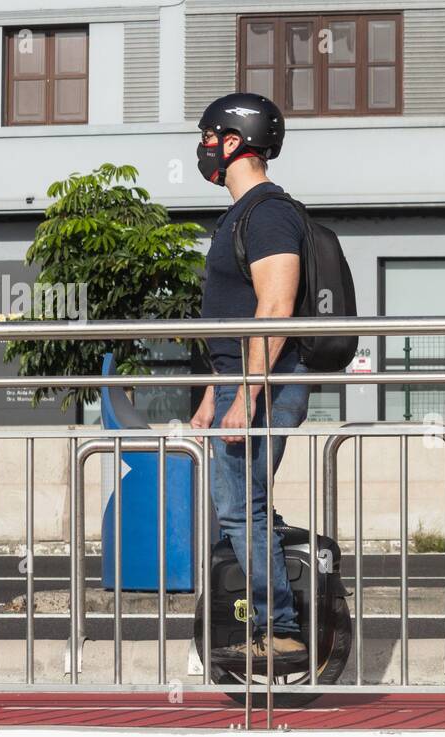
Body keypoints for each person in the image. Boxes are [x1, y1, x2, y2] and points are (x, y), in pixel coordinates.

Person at [190, 92, 309, 663]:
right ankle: (262, 614)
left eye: (210, 138)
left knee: (241, 508)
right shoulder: (241, 216)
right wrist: (217, 393)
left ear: (234, 143)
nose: (204, 148)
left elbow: (275, 307)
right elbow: (232, 320)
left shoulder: (268, 213)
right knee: (237, 506)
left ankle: (281, 628)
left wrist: (246, 394)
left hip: (269, 382)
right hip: (242, 382)